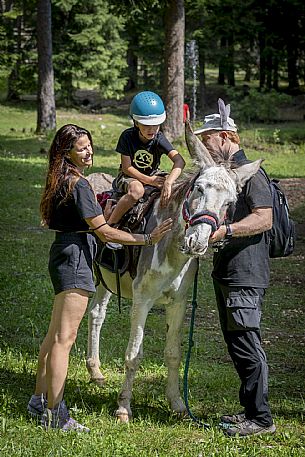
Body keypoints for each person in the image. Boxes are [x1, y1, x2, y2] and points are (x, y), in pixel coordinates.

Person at [27, 124, 172, 431]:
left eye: (90, 145)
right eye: (82, 148)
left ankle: (38, 401)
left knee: (55, 336)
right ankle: (56, 413)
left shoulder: (61, 178)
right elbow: (104, 231)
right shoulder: (78, 185)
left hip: (63, 251)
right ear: (66, 153)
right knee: (65, 340)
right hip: (77, 258)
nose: (89, 151)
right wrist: (148, 239)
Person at [194, 99, 276, 437]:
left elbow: (264, 218)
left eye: (208, 138)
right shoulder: (227, 173)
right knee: (237, 344)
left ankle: (261, 419)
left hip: (245, 272)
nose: (205, 145)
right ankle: (250, 411)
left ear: (227, 136)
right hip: (231, 268)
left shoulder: (251, 174)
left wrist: (225, 231)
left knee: (246, 341)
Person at [106, 91, 185, 226]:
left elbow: (180, 161)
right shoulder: (127, 137)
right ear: (136, 123)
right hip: (128, 176)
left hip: (153, 174)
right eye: (146, 125)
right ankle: (111, 225)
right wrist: (150, 181)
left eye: (156, 125)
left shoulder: (159, 138)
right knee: (137, 190)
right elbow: (127, 167)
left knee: (179, 188)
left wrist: (169, 182)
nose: (152, 129)